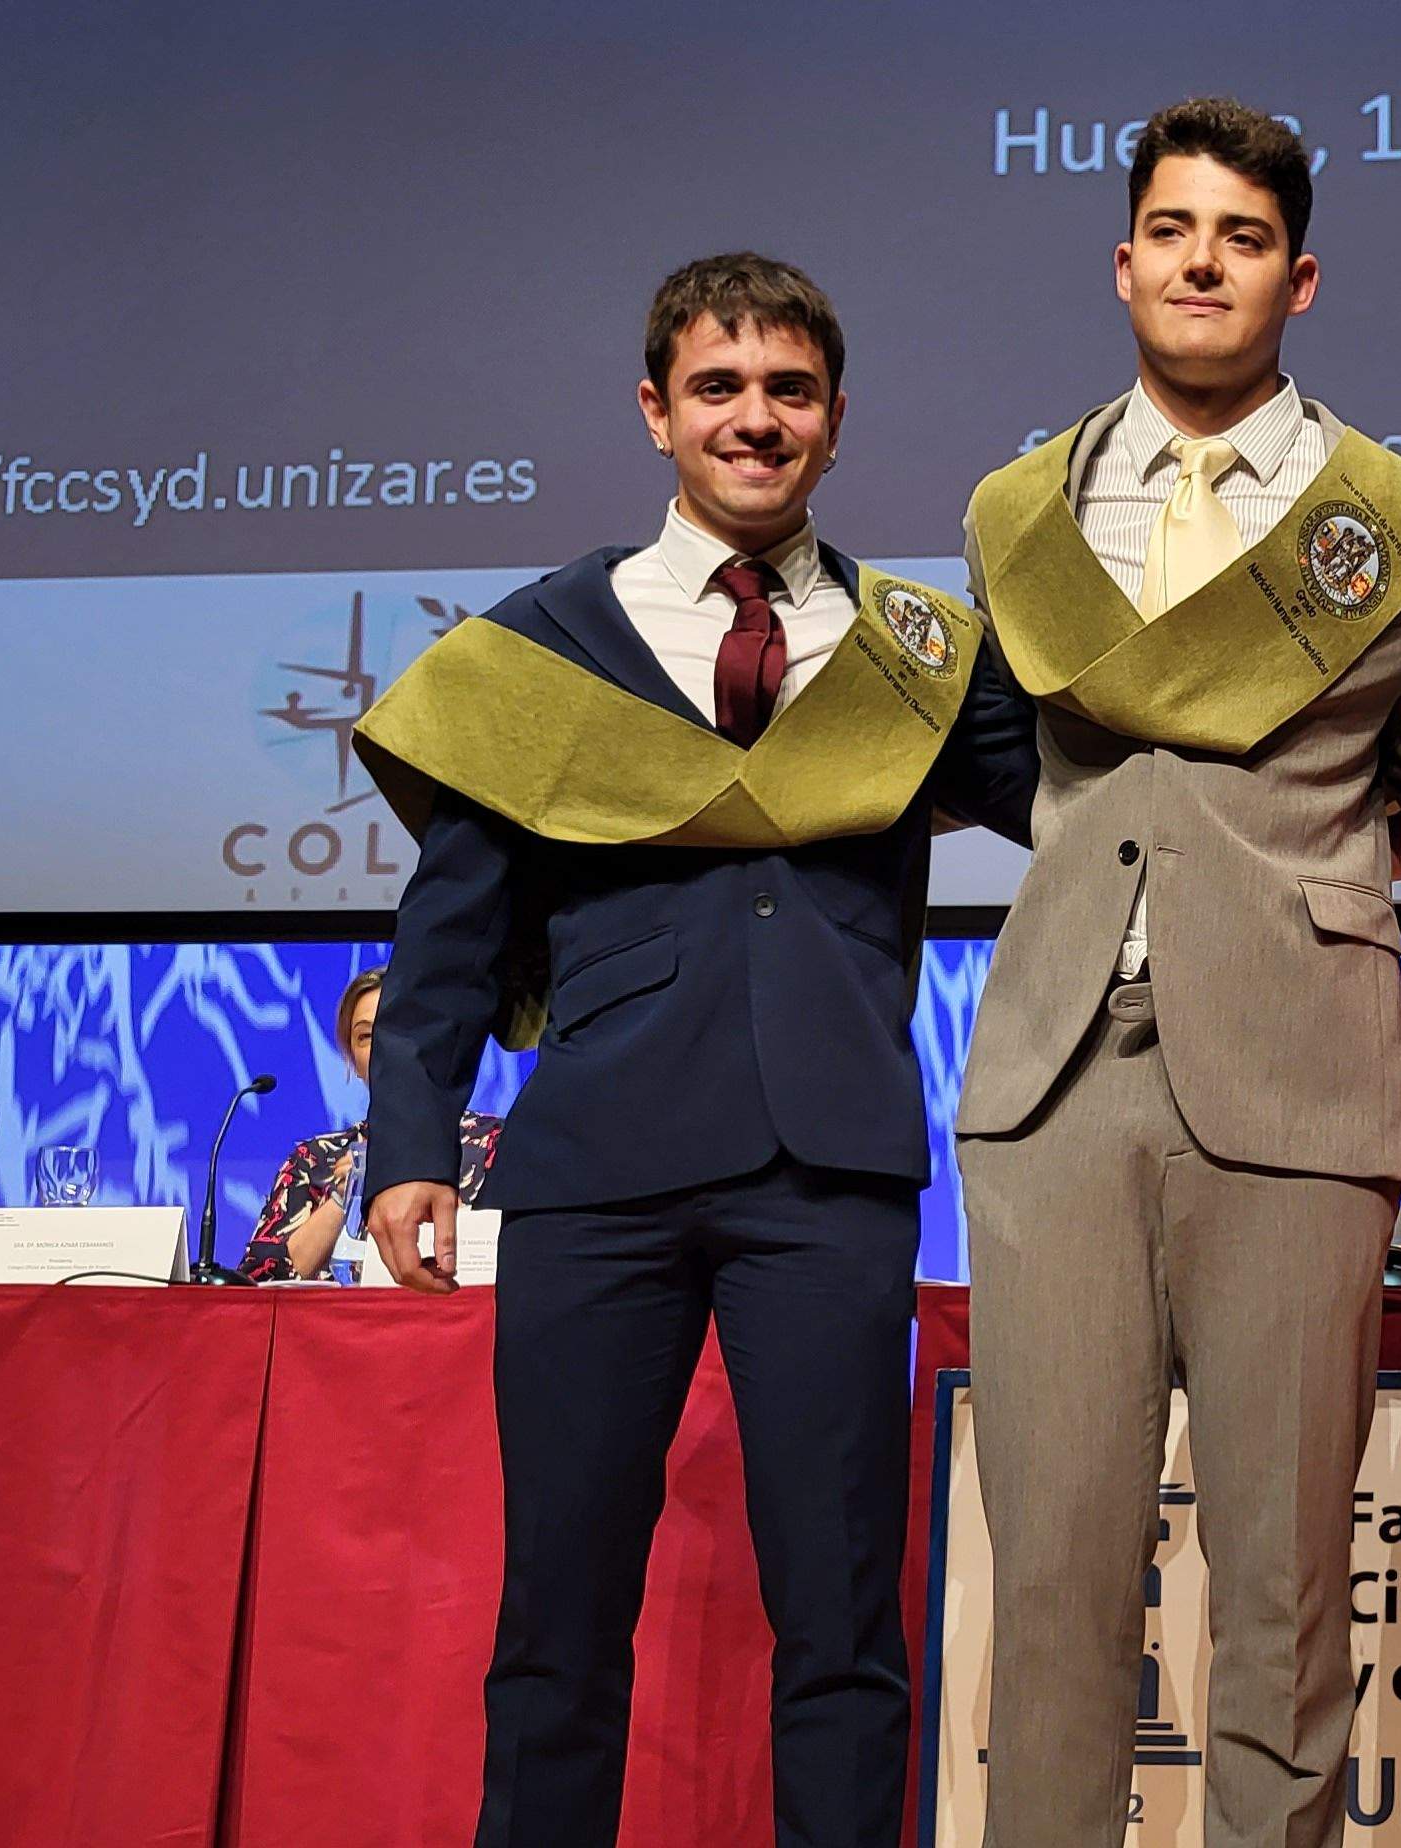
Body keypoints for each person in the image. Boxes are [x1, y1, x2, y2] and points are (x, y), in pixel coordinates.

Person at [353, 252, 1038, 1848]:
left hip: (834, 1175)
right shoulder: (538, 645)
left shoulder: (916, 648)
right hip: (599, 1174)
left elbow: (1089, 809)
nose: (756, 419)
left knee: (845, 1625)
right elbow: (448, 933)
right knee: (561, 1625)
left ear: (838, 421)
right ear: (656, 413)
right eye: (720, 389)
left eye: (789, 391)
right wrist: (408, 1151)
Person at [950, 97, 1401, 1848]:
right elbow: (982, 756)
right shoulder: (1018, 504)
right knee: (1048, 1576)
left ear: (1301, 277)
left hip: (1297, 1071)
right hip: (1050, 1078)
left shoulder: (1399, 522)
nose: (1205, 261)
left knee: (1281, 1587)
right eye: (1175, 231)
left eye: (1243, 238)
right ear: (1124, 262)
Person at [231, 967, 501, 1282]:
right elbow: (257, 1285)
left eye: (397, 1029)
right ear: (352, 1060)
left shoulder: (492, 1146)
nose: (383, 1048)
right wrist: (343, 1196)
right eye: (366, 1036)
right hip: (333, 1328)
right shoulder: (313, 1160)